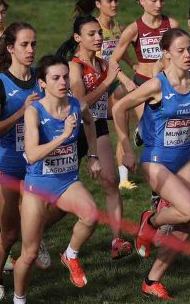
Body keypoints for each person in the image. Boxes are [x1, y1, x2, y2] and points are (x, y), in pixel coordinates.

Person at [112, 29, 190, 299]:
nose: (187, 55)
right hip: (156, 159)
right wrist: (126, 145)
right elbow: (118, 108)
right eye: (181, 50)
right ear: (167, 54)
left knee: (187, 224)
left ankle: (152, 280)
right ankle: (151, 221)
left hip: (183, 157)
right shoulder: (157, 85)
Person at [13, 56, 101, 301]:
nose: (63, 82)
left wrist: (93, 155)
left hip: (67, 182)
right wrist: (64, 136)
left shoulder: (76, 105)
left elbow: (91, 122)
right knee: (29, 254)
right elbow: (31, 155)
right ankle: (19, 298)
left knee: (91, 215)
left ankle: (70, 255)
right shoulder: (34, 111)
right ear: (42, 83)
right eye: (55, 78)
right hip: (38, 185)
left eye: (65, 77)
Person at [57, 16, 135, 260]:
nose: (98, 38)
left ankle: (116, 240)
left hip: (98, 126)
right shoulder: (74, 66)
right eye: (91, 34)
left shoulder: (103, 64)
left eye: (99, 33)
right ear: (78, 38)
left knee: (111, 182)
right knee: (55, 195)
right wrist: (109, 81)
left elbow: (109, 105)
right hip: (70, 131)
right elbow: (80, 105)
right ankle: (35, 238)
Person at [0, 23, 45, 302]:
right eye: (24, 45)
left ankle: (36, 240)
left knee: (56, 208)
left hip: (36, 163)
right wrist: (23, 110)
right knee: (8, 232)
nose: (31, 50)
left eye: (33, 44)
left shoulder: (41, 78)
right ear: (10, 48)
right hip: (6, 164)